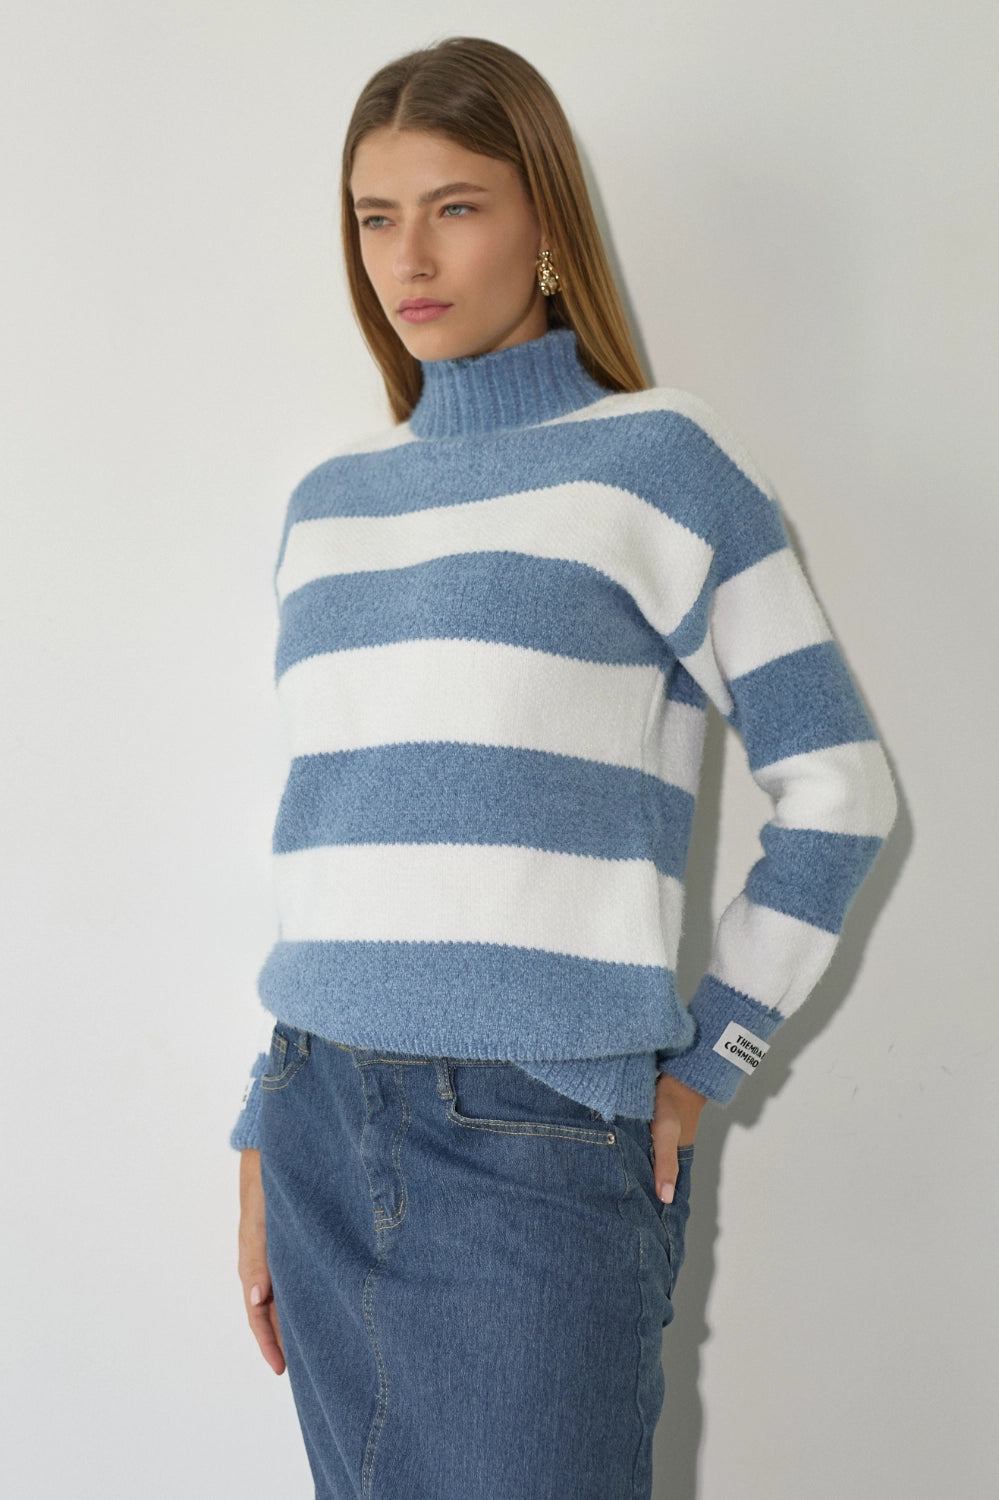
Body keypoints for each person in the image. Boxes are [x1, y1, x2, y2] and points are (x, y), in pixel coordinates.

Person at [232, 36, 897, 1500]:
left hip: (535, 1134)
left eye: (455, 208)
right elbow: (332, 839)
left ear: (546, 222)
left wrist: (712, 1059)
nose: (409, 258)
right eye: (375, 217)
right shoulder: (329, 505)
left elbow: (841, 790)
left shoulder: (658, 462)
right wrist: (259, 1129)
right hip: (314, 1112)